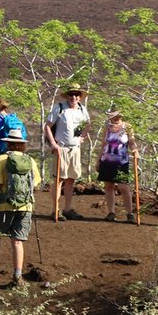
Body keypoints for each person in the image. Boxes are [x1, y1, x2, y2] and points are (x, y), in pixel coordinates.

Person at [0, 126, 37, 284]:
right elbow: (35, 183)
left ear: (8, 143)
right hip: (25, 207)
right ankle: (17, 275)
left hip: (4, 206)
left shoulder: (2, 159)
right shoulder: (30, 161)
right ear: (22, 144)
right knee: (17, 241)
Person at [43, 83, 91, 222]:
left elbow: (88, 124)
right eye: (71, 94)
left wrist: (82, 137)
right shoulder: (59, 108)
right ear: (67, 96)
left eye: (76, 95)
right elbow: (47, 126)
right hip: (61, 148)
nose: (73, 97)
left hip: (75, 149)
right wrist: (53, 144)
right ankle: (55, 210)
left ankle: (68, 209)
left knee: (71, 179)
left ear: (80, 97)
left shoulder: (82, 110)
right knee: (59, 180)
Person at [96, 112, 137, 222]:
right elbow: (103, 144)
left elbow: (131, 141)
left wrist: (135, 150)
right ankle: (111, 212)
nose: (117, 118)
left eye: (118, 116)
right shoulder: (107, 127)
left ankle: (130, 214)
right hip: (107, 160)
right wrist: (98, 160)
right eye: (114, 116)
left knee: (123, 187)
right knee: (109, 186)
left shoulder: (127, 127)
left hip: (121, 161)